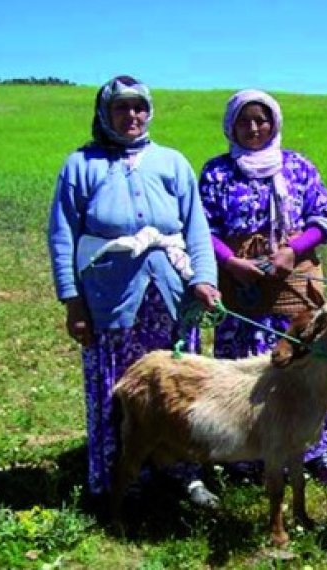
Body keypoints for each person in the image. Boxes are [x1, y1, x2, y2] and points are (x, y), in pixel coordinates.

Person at [47, 75, 221, 508]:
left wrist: (204, 279)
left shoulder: (172, 162)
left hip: (169, 294)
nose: (132, 116)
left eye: (139, 107)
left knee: (178, 384)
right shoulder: (80, 165)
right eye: (121, 108)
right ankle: (120, 475)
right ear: (105, 113)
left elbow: (196, 228)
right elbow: (62, 235)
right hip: (109, 296)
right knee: (117, 385)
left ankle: (183, 472)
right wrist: (73, 300)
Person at [198, 89, 327, 483]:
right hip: (240, 280)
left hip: (292, 277)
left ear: (274, 122)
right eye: (245, 121)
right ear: (231, 126)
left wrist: (293, 250)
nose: (254, 128)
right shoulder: (217, 172)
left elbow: (325, 220)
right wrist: (230, 262)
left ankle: (312, 453)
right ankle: (245, 456)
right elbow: (200, 228)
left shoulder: (298, 167)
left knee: (304, 365)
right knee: (243, 371)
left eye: (262, 120)